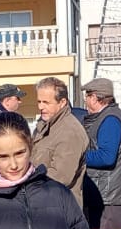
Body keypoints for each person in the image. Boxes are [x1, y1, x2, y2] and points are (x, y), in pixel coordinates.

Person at [80, 78, 121, 229]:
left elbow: (106, 157)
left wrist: (78, 156)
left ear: (96, 98)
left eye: (88, 95)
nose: (85, 100)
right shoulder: (106, 117)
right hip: (104, 196)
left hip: (109, 199)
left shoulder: (110, 120)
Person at [30, 77, 89, 209]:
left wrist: (27, 183)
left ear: (62, 102)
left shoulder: (70, 132)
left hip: (59, 210)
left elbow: (61, 177)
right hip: (42, 205)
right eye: (39, 101)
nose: (40, 107)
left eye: (46, 102)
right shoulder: (45, 125)